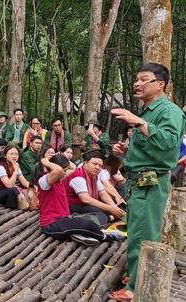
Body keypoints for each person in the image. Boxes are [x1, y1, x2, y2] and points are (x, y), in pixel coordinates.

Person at [109, 63, 185, 302]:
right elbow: (151, 146)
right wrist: (127, 149)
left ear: (160, 84)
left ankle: (135, 287)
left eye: (145, 79)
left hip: (150, 182)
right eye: (136, 79)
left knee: (143, 234)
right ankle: (134, 274)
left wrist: (139, 123)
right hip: (136, 181)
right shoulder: (149, 110)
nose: (137, 84)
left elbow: (170, 143)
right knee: (136, 231)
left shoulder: (169, 111)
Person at [37, 155, 125, 246]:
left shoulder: (59, 179)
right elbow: (58, 170)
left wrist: (60, 156)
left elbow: (73, 167)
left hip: (65, 218)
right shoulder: (44, 181)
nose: (65, 173)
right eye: (64, 170)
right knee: (86, 223)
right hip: (51, 224)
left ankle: (82, 232)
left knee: (96, 216)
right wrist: (46, 162)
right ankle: (105, 237)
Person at [64, 151, 126, 226]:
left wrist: (114, 207)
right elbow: (86, 199)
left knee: (116, 207)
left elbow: (103, 194)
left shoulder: (94, 176)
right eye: (94, 164)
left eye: (100, 166)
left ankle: (109, 217)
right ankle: (110, 218)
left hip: (86, 204)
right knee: (100, 211)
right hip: (72, 206)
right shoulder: (78, 176)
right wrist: (110, 208)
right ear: (86, 163)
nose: (97, 167)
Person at [0, 145, 31, 210]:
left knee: (26, 190)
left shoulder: (15, 165)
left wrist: (34, 187)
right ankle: (20, 202)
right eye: (11, 154)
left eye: (16, 154)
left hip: (8, 189)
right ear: (5, 155)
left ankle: (23, 200)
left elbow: (24, 182)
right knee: (13, 190)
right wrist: (15, 171)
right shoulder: (0, 167)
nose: (14, 156)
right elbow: (9, 185)